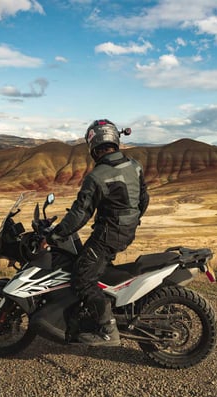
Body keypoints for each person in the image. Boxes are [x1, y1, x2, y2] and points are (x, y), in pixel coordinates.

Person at [50, 119, 149, 346]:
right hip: (126, 231)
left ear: (93, 145)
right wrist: (131, 220)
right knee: (96, 265)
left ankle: (107, 330)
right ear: (114, 140)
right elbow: (144, 199)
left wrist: (55, 234)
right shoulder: (134, 165)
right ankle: (100, 310)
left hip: (108, 235)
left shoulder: (97, 176)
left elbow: (80, 214)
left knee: (82, 277)